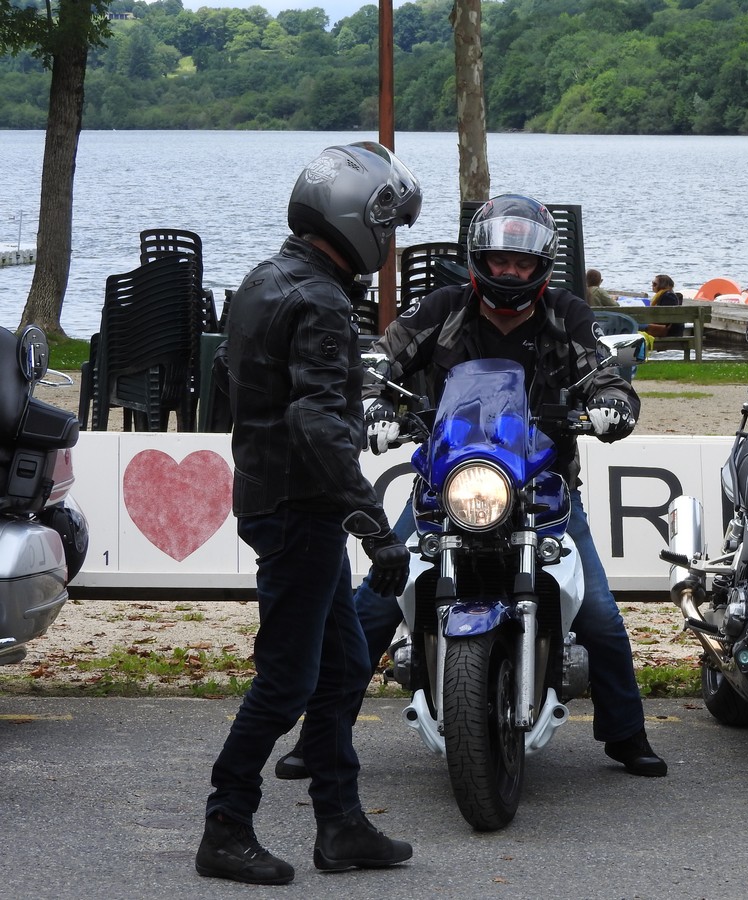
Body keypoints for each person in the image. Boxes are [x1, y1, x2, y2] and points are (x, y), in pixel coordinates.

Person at [273, 193, 667, 782]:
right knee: (374, 604)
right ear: (478, 258)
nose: (510, 271)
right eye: (499, 260)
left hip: (543, 490)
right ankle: (321, 732)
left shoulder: (566, 315)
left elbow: (602, 372)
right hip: (448, 488)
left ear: (541, 265)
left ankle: (626, 733)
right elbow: (383, 359)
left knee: (603, 616)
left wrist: (611, 401)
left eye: (522, 262)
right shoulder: (442, 308)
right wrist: (379, 403)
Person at [195, 142, 423, 885]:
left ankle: (342, 823)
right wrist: (373, 521)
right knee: (289, 678)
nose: (388, 248)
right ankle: (225, 824)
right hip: (300, 509)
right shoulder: (320, 299)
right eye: (386, 229)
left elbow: (245, 396)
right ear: (358, 220)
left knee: (345, 663)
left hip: (276, 498)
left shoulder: (266, 278)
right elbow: (318, 423)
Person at [644, 274, 684, 339]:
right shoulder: (664, 295)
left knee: (638, 325)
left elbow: (665, 319)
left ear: (663, 285)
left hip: (669, 331)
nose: (652, 286)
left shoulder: (668, 296)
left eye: (655, 284)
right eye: (652, 284)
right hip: (667, 328)